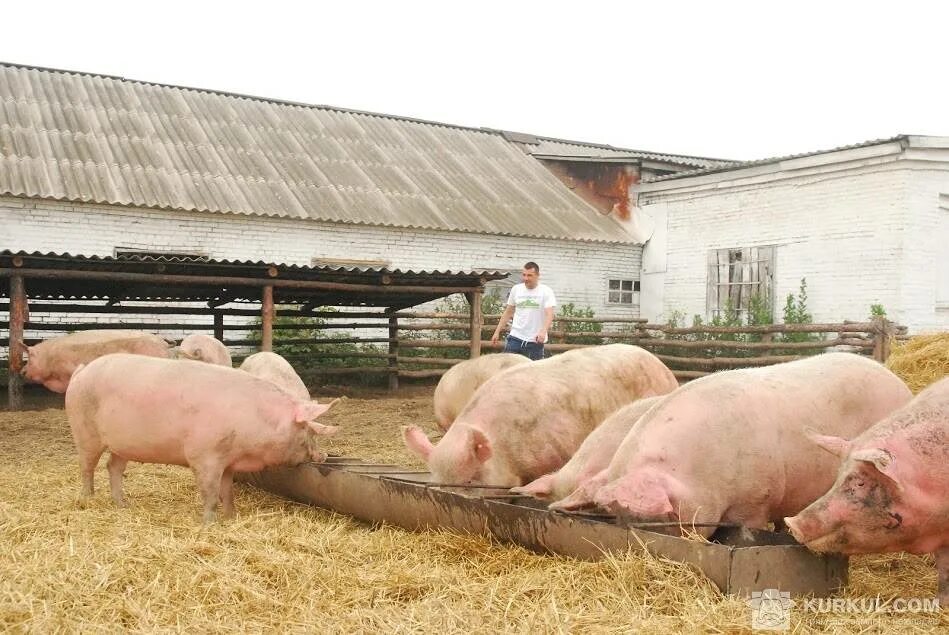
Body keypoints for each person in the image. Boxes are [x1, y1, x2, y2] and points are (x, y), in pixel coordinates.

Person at [490, 261, 557, 360]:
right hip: (515, 337)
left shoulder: (546, 291)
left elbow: (550, 314)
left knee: (533, 372)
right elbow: (508, 312)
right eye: (524, 275)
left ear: (538, 275)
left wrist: (543, 332)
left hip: (534, 340)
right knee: (506, 367)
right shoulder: (516, 289)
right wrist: (497, 331)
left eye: (529, 275)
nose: (526, 278)